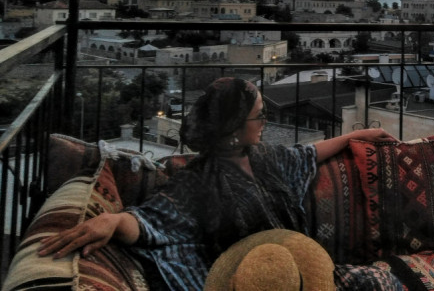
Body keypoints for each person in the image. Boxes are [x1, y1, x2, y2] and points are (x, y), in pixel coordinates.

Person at [39, 77, 402, 291]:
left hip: (302, 276)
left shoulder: (268, 160)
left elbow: (307, 153)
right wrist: (113, 221)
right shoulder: (198, 181)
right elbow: (155, 219)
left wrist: (364, 134)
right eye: (259, 116)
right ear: (232, 130)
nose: (264, 121)